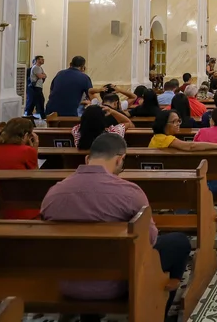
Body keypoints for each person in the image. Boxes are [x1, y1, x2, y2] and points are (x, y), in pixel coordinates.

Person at [40, 133, 191, 320]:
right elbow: (149, 240)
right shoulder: (129, 192)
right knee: (179, 242)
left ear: (87, 159)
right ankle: (158, 312)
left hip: (66, 283)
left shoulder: (54, 193)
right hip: (117, 283)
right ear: (120, 159)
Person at [0, 117, 40, 219]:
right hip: (18, 205)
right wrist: (35, 149)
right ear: (26, 135)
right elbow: (36, 177)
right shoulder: (27, 151)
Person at [149, 110, 217, 152]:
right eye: (174, 122)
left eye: (178, 121)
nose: (178, 124)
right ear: (164, 124)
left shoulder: (158, 137)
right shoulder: (165, 139)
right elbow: (191, 146)